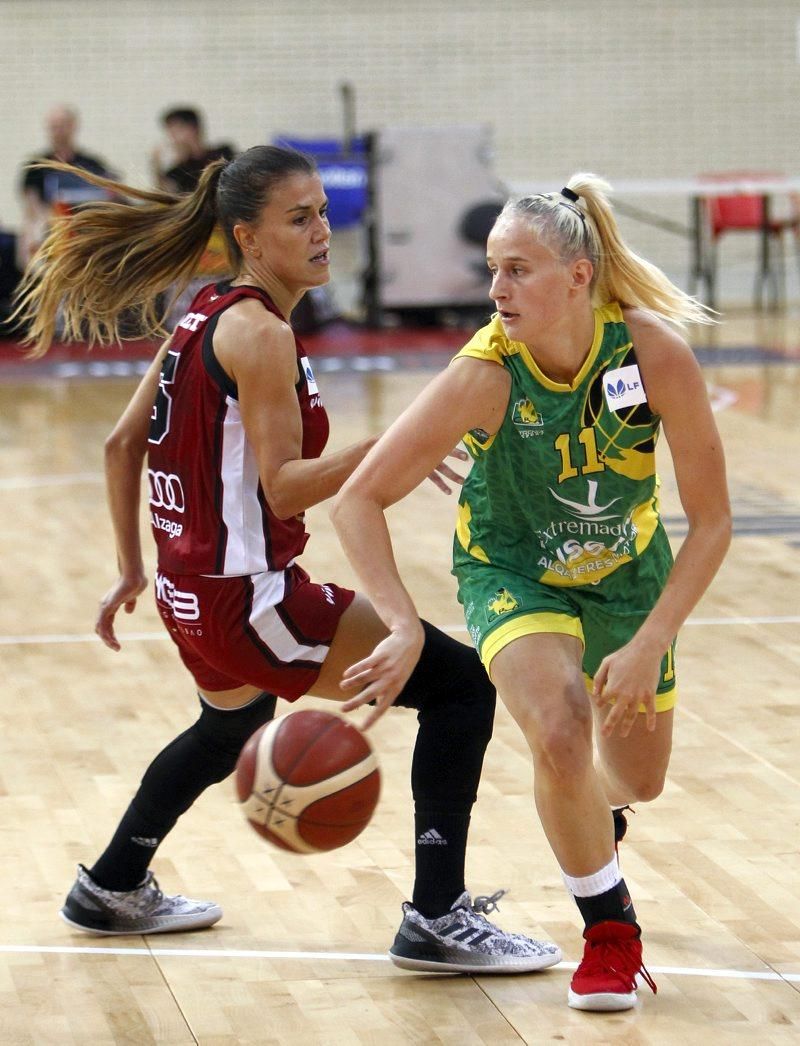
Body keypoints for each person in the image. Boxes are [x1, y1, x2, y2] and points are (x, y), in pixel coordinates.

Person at [12, 145, 561, 974]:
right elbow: (285, 490)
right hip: (251, 601)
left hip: (189, 595)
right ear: (248, 236)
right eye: (298, 218)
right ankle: (438, 917)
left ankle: (113, 883)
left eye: (322, 213)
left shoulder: (202, 312)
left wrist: (133, 566)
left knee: (229, 723)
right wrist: (396, 444)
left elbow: (122, 442)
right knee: (459, 687)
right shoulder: (258, 334)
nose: (321, 231)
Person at [330, 176, 732, 1011]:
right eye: (492, 270)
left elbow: (715, 520)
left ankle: (594, 817)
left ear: (578, 276)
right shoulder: (485, 374)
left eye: (518, 270)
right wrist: (402, 621)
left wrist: (653, 637)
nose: (496, 290)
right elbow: (359, 497)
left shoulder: (651, 353)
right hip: (511, 570)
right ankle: (611, 936)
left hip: (628, 578)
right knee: (559, 730)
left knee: (636, 779)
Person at [17, 105, 115, 269]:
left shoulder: (92, 164)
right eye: (54, 127)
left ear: (73, 126)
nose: (58, 131)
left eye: (63, 125)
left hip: (87, 228)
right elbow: (31, 206)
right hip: (52, 228)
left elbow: (108, 197)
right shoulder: (36, 166)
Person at [152, 107, 235, 194]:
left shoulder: (223, 153)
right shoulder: (179, 170)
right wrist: (156, 165)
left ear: (193, 129)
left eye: (176, 131)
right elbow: (166, 194)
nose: (172, 138)